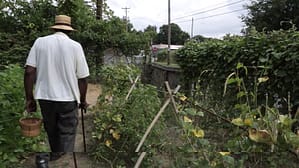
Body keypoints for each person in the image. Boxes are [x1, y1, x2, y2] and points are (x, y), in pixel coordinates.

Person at [24, 15, 89, 166]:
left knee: (51, 130)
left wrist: (29, 98)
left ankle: (52, 156)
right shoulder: (75, 46)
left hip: (45, 98)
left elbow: (29, 71)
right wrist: (83, 100)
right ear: (69, 31)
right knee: (67, 133)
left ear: (54, 27)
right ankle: (62, 161)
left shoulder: (40, 42)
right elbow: (83, 78)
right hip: (68, 100)